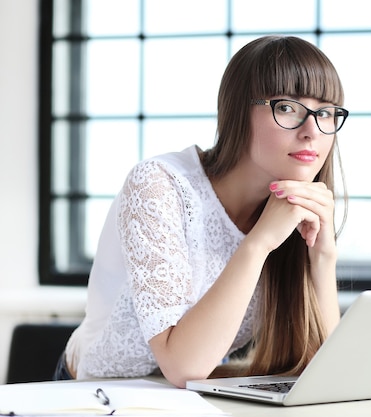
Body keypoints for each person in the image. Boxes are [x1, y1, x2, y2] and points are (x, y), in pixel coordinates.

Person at [55, 35, 349, 388]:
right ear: (238, 110)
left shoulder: (292, 211)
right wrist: (258, 244)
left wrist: (323, 256)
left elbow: (326, 373)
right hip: (89, 395)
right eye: (287, 107)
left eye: (326, 112)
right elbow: (183, 366)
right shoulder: (161, 185)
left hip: (188, 399)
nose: (312, 131)